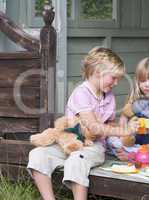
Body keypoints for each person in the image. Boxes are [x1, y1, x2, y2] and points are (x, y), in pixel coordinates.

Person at [27, 47, 134, 200]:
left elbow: (108, 125)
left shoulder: (109, 96)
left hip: (92, 146)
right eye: (114, 78)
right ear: (98, 72)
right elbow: (93, 126)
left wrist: (119, 144)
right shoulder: (81, 93)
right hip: (68, 142)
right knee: (37, 154)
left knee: (77, 159)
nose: (116, 83)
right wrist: (124, 131)